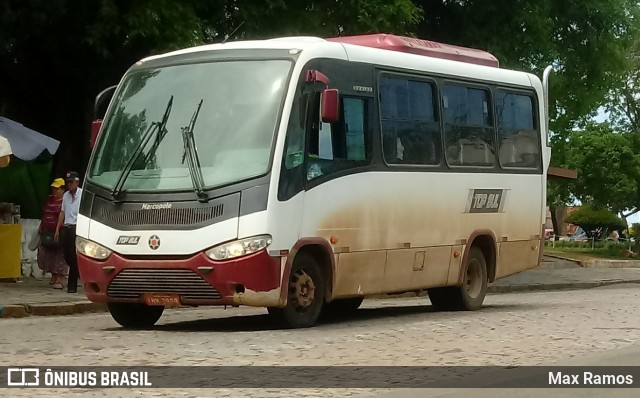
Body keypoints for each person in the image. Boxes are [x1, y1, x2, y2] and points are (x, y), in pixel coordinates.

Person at [36, 178, 68, 289]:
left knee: (60, 255)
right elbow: (45, 214)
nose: (54, 191)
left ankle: (60, 278)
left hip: (60, 232)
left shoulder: (65, 201)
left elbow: (63, 215)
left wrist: (58, 230)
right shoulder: (49, 199)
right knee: (46, 253)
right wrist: (42, 227)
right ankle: (53, 274)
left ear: (63, 189)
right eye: (53, 189)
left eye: (57, 189)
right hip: (47, 231)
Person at [55, 171, 83, 293]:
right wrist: (57, 228)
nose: (69, 184)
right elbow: (62, 212)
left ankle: (72, 286)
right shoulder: (66, 195)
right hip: (66, 227)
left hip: (76, 227)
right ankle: (79, 274)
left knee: (73, 255)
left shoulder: (82, 194)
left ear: (77, 182)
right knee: (67, 256)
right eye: (68, 182)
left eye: (71, 182)